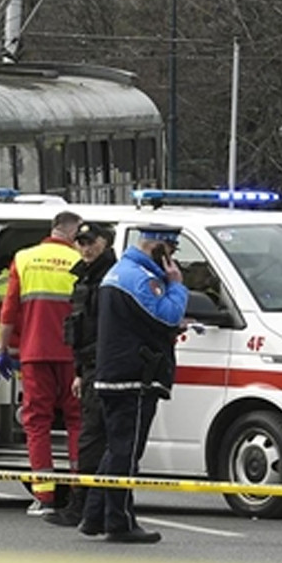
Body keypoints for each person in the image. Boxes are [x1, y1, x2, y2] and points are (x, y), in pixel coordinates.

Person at [84, 224, 188, 544]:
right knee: (126, 453)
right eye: (170, 251)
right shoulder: (142, 278)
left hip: (116, 373)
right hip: (134, 376)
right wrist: (177, 287)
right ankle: (119, 521)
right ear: (158, 247)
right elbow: (167, 317)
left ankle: (93, 515)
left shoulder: (120, 272)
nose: (171, 259)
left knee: (116, 449)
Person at [0, 210, 84, 515]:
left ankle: (44, 496)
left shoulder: (24, 258)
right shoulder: (81, 260)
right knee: (77, 421)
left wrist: (2, 348)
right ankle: (79, 491)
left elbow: (8, 312)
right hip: (73, 355)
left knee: (37, 422)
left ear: (54, 228)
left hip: (34, 353)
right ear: (75, 233)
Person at [46, 221, 117, 528]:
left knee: (94, 438)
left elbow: (106, 330)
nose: (85, 248)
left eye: (91, 242)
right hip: (89, 366)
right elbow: (80, 328)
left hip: (104, 366)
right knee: (94, 437)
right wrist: (77, 372)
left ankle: (86, 507)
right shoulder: (85, 275)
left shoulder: (109, 277)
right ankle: (90, 507)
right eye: (81, 242)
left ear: (106, 241)